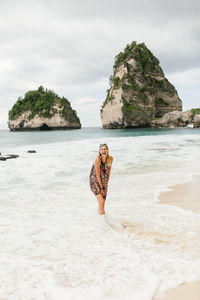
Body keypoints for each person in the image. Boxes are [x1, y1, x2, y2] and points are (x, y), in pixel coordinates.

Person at [89, 144, 113, 215]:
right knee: (101, 201)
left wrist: (106, 184)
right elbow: (98, 175)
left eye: (105, 149)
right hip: (94, 181)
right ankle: (102, 220)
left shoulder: (110, 159)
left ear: (107, 150)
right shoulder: (97, 160)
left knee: (103, 201)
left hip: (104, 180)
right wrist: (102, 188)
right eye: (102, 149)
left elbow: (108, 173)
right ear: (99, 151)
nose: (103, 150)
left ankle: (101, 220)